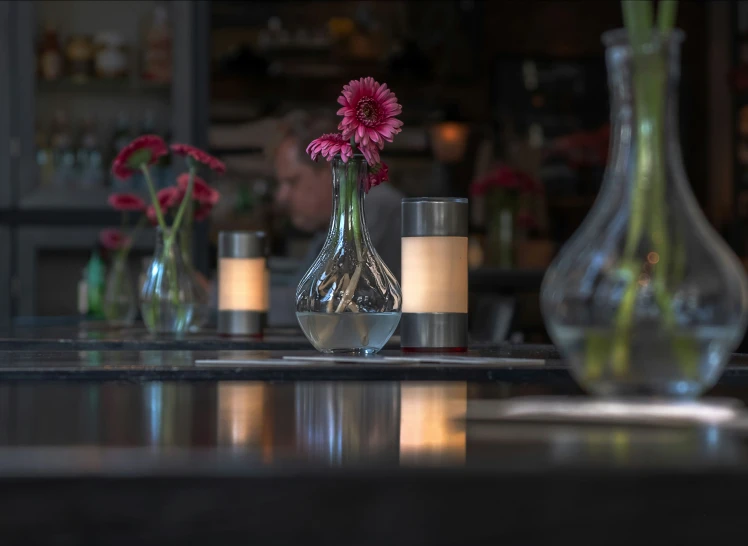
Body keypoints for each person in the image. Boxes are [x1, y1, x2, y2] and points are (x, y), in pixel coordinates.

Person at [270, 110, 403, 324]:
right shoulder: (330, 226)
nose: (281, 196)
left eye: (292, 182)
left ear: (328, 167)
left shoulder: (375, 207)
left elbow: (326, 304)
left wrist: (219, 297)